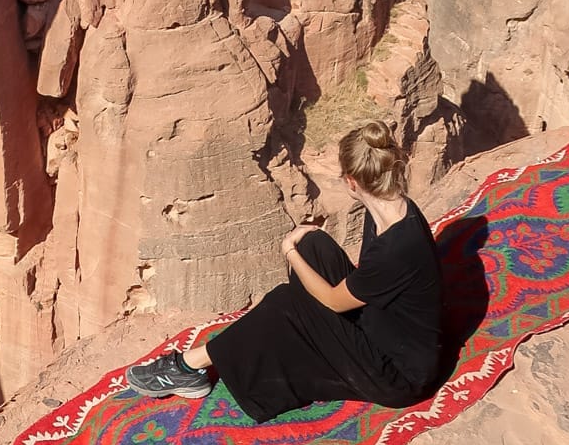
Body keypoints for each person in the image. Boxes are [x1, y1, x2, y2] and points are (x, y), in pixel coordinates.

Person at [126, 121, 444, 422]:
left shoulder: (395, 247)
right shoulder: (395, 208)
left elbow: (334, 302)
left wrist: (290, 253)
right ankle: (303, 343)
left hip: (398, 374)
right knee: (315, 245)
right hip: (386, 330)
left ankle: (188, 367)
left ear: (351, 182)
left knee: (286, 301)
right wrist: (302, 251)